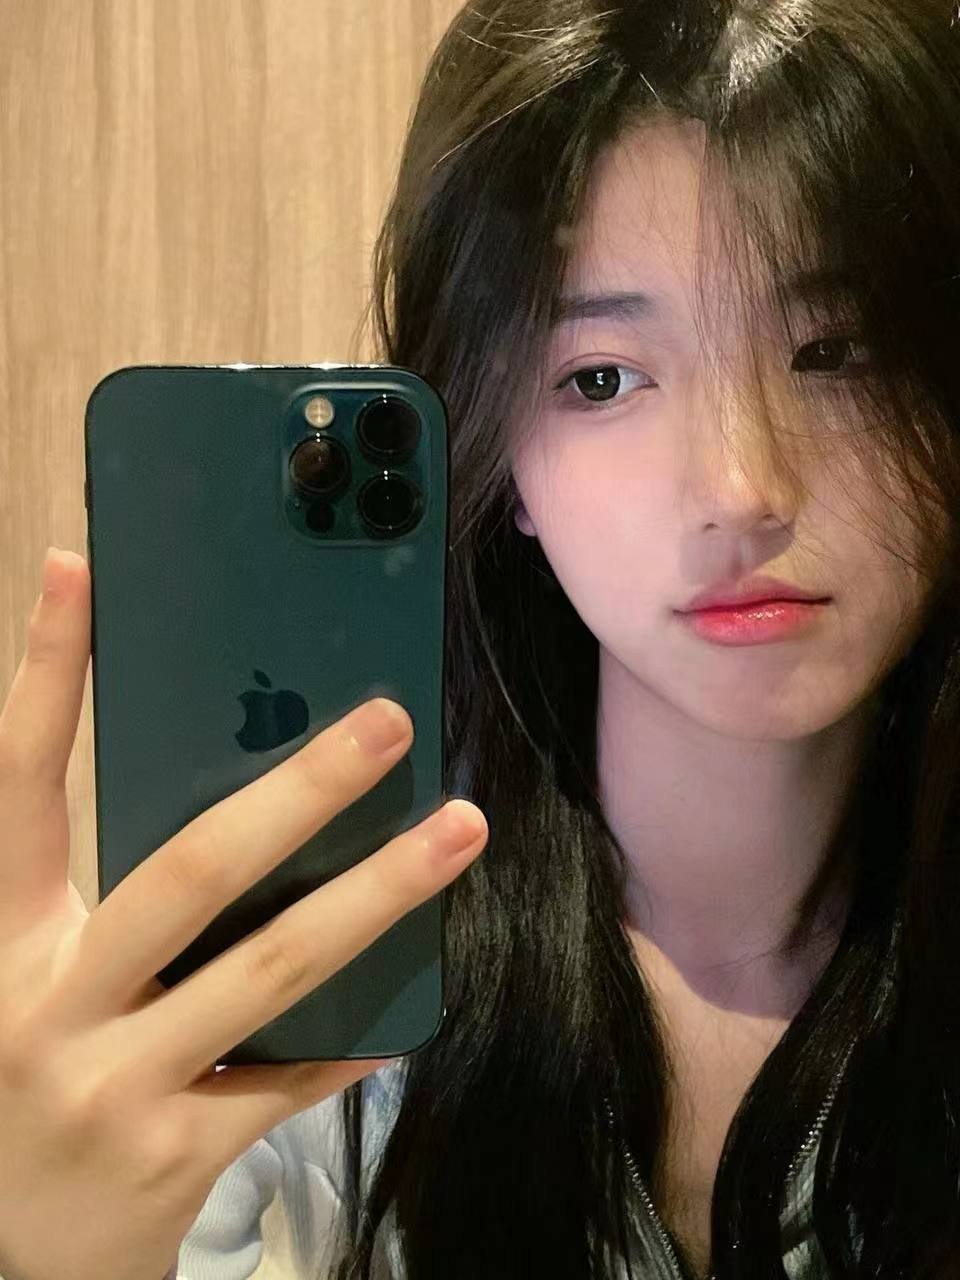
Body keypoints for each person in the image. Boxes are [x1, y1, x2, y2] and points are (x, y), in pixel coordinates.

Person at [2, 1, 959, 1278]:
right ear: (497, 455)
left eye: (833, 351)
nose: (742, 487)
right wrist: (52, 1249)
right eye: (602, 376)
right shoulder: (336, 995)